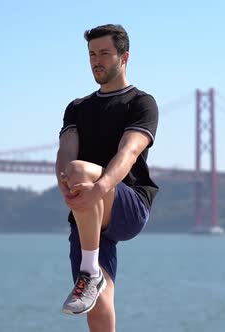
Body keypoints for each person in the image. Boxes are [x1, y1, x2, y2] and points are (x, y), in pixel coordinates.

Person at [55, 24, 159, 332]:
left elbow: (128, 152)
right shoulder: (77, 108)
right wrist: (63, 179)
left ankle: (90, 271)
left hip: (127, 203)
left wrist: (98, 187)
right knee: (98, 307)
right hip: (86, 212)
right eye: (91, 54)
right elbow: (67, 148)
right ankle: (93, 278)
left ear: (124, 57)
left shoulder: (141, 103)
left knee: (79, 170)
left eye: (104, 53)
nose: (96, 61)